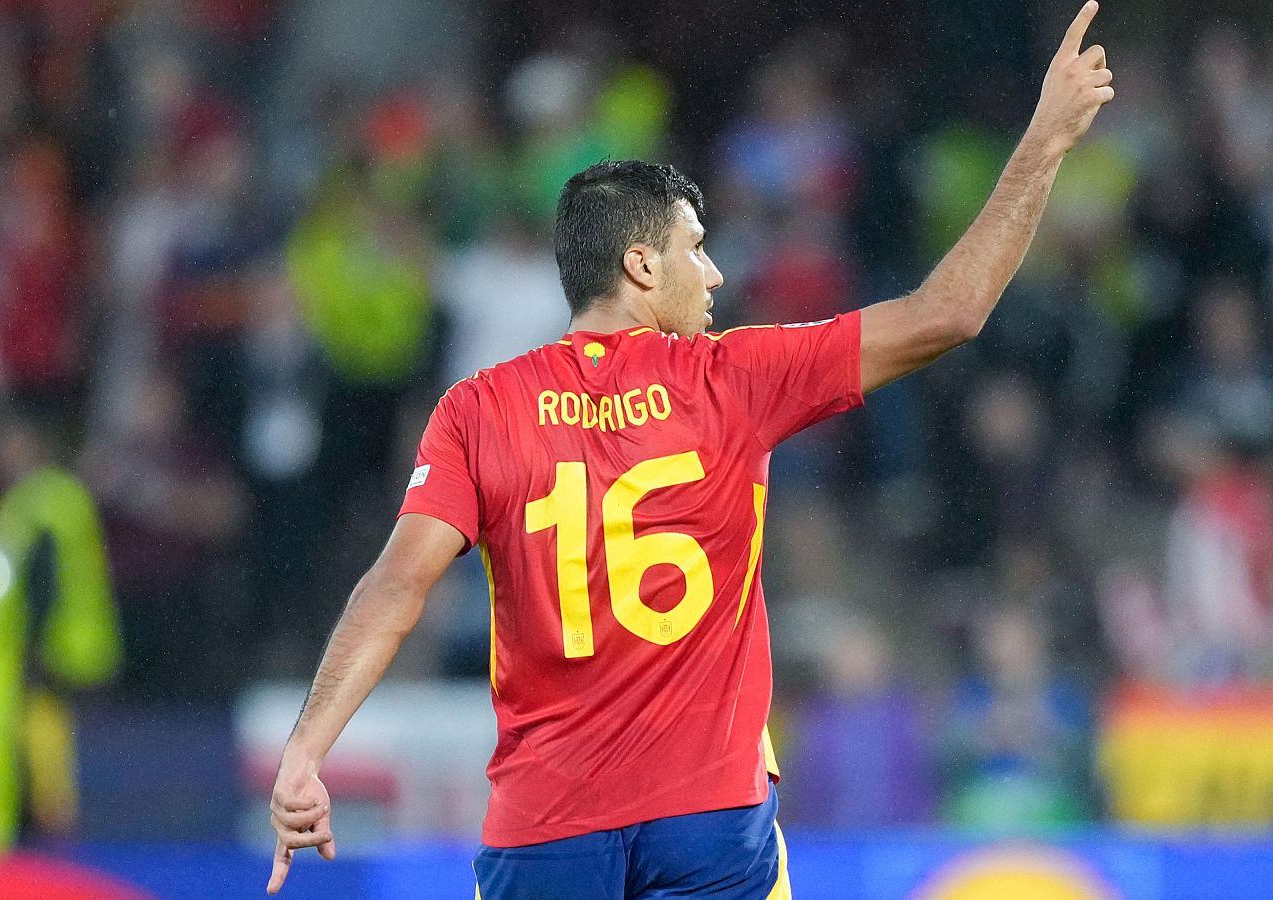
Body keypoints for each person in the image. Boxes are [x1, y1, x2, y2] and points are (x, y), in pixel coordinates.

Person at [267, 4, 1114, 896]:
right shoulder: (732, 378)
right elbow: (949, 312)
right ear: (641, 265)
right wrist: (1046, 142)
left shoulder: (479, 409)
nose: (714, 274)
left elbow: (397, 586)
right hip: (706, 816)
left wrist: (305, 751)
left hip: (544, 830)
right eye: (695, 249)